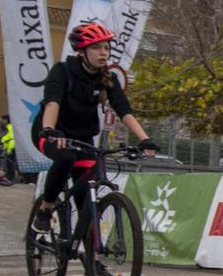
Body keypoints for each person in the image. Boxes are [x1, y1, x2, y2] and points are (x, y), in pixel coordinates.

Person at [33, 20, 158, 234]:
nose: (103, 52)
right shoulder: (62, 71)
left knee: (87, 201)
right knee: (65, 159)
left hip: (82, 138)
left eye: (106, 47)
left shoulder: (108, 78)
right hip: (52, 132)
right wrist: (50, 130)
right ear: (81, 51)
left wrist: (144, 139)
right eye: (96, 47)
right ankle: (45, 210)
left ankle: (92, 260)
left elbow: (124, 110)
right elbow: (52, 103)